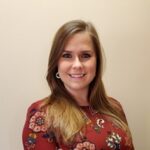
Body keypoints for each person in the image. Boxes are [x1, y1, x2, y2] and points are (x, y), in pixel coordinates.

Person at [22, 20, 134, 150]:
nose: (77, 65)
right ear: (56, 63)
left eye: (85, 55)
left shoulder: (114, 108)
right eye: (67, 55)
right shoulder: (41, 114)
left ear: (97, 62)